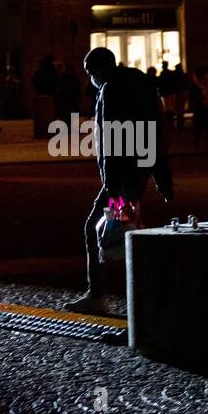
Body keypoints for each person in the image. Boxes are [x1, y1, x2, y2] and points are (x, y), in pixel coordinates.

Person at [65, 47, 173, 316]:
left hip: (121, 178)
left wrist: (111, 186)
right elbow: (156, 132)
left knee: (98, 229)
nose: (90, 78)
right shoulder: (141, 86)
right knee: (126, 231)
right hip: (138, 172)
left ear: (99, 70)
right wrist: (162, 178)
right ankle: (149, 293)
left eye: (91, 73)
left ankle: (99, 294)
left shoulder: (111, 90)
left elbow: (111, 141)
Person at [189, 65, 208, 150]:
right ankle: (196, 144)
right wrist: (200, 97)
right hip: (199, 109)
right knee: (198, 128)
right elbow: (192, 97)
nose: (207, 76)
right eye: (206, 75)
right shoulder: (195, 85)